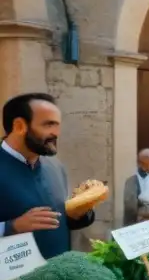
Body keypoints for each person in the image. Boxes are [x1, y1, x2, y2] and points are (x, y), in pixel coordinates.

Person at [0, 93, 97, 258]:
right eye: (48, 125)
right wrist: (12, 227)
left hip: (57, 276)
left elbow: (59, 220)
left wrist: (80, 213)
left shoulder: (56, 167)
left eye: (57, 125)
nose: (56, 133)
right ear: (19, 126)